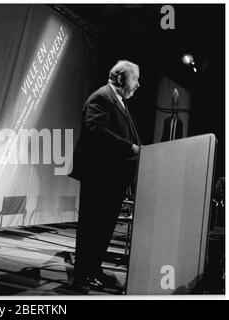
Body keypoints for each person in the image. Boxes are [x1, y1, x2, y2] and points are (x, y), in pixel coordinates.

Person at [69, 60, 141, 291]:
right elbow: (97, 130)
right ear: (121, 78)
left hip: (113, 177)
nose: (138, 84)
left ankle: (93, 269)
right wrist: (130, 148)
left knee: (103, 229)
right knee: (92, 228)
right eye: (135, 79)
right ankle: (82, 276)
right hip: (98, 176)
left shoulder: (118, 100)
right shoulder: (101, 97)